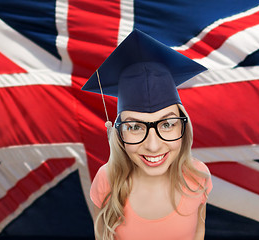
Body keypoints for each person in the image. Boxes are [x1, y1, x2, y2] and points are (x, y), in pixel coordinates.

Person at [82, 29, 213, 240]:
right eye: (135, 127)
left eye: (168, 124)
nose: (153, 146)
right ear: (118, 133)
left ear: (183, 127)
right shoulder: (107, 180)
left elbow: (198, 232)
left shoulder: (197, 176)